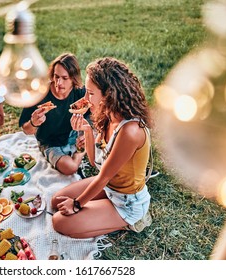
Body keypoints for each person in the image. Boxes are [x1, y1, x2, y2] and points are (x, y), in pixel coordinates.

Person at [51, 57, 153, 238]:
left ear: (108, 95)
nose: (85, 99)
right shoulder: (108, 115)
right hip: (108, 187)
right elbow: (95, 162)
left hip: (126, 202)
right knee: (55, 202)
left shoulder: (130, 131)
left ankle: (131, 221)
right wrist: (87, 131)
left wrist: (76, 204)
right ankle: (99, 213)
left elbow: (104, 176)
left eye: (90, 93)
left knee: (59, 221)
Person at [19, 53, 87, 175]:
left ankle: (83, 150)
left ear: (73, 78)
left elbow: (93, 115)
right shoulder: (39, 93)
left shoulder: (80, 92)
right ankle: (81, 154)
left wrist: (86, 133)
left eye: (64, 78)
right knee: (70, 168)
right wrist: (34, 123)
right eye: (56, 77)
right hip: (50, 141)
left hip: (73, 134)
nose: (59, 83)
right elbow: (26, 130)